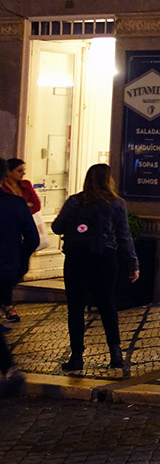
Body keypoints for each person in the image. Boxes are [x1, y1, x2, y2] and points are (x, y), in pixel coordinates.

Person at [51, 163, 139, 372]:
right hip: (105, 259)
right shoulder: (117, 204)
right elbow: (124, 236)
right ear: (108, 180)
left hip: (77, 259)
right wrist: (133, 264)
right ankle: (115, 354)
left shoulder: (75, 201)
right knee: (107, 304)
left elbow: (56, 227)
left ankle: (77, 356)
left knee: (76, 306)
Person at [2, 158, 40, 322]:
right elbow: (32, 238)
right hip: (8, 258)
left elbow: (36, 204)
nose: (23, 173)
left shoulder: (20, 194)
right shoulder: (15, 203)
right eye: (19, 170)